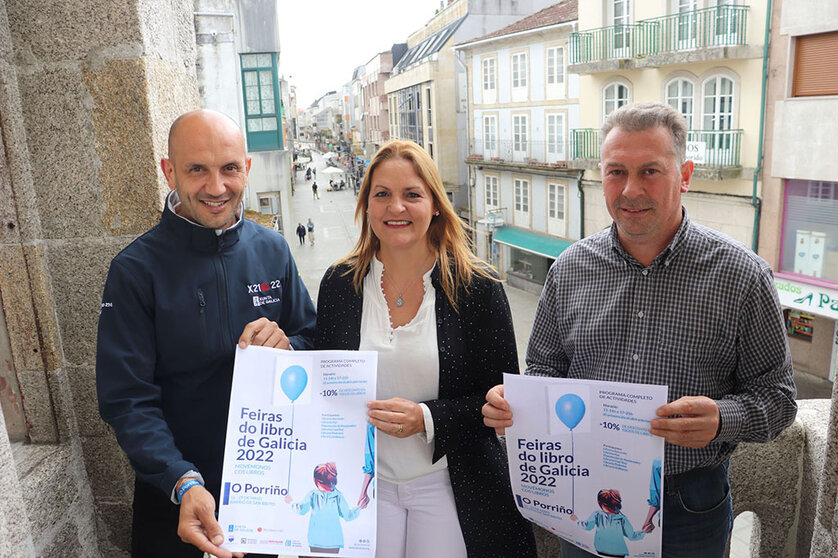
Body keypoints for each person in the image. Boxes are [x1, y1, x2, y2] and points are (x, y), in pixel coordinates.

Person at [482, 102, 797, 558]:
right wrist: (518, 406)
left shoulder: (742, 276)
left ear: (684, 174)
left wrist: (722, 420)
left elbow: (779, 399)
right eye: (616, 172)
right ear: (600, 175)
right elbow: (545, 369)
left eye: (650, 171)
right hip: (583, 488)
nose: (630, 190)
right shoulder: (569, 268)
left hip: (690, 504)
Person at [96, 109, 317, 558]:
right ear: (169, 171)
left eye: (229, 168)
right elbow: (126, 399)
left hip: (273, 497)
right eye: (197, 169)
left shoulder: (272, 249)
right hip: (179, 503)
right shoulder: (135, 271)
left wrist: (289, 345)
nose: (216, 187)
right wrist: (181, 479)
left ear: (247, 169)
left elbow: (314, 341)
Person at [315, 140, 537, 558]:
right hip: (365, 484)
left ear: (435, 204)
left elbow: (503, 405)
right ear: (366, 204)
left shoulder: (478, 288)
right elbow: (325, 386)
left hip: (449, 482)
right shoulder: (339, 285)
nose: (395, 207)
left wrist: (428, 418)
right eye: (382, 194)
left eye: (411, 194)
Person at [286, 462, 362, 554]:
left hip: (316, 541)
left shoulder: (312, 494)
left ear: (316, 481)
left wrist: (291, 502)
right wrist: (359, 507)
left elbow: (301, 510)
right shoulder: (338, 496)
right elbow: (348, 516)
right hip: (334, 541)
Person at [572, 489, 645, 557]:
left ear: (600, 503)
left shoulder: (597, 514)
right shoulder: (622, 519)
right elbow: (632, 537)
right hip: (619, 553)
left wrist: (577, 520)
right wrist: (644, 531)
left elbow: (587, 526)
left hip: (600, 550)